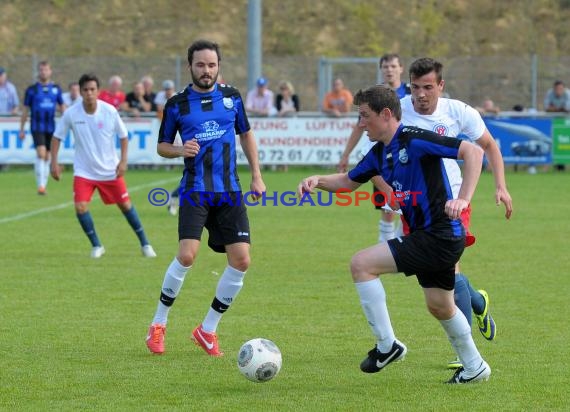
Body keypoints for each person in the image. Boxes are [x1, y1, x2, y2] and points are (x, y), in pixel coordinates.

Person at [298, 84, 491, 384]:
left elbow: (473, 151)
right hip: (432, 235)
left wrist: (463, 198)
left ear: (386, 114)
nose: (361, 124)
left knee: (362, 264)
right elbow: (349, 182)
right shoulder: (378, 154)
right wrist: (317, 180)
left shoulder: (413, 140)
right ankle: (475, 366)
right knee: (440, 305)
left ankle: (387, 346)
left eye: (364, 116)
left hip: (439, 233)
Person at [145, 39, 266, 356]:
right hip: (195, 191)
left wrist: (257, 174)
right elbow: (162, 146)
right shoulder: (176, 104)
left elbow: (246, 134)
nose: (206, 70)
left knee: (241, 260)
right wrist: (178, 149)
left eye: (212, 65)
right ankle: (158, 325)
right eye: (200, 64)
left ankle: (207, 329)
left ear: (218, 66)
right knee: (187, 255)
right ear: (190, 66)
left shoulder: (232, 98)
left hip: (229, 191)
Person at [400, 57, 513, 369]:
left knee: (448, 270)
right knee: (438, 277)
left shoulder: (458, 112)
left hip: (453, 201)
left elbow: (488, 146)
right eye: (415, 87)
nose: (420, 94)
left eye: (427, 87)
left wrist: (500, 185)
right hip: (413, 206)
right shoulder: (397, 110)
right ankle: (477, 301)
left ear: (441, 86)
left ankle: (467, 353)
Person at [50, 73, 157, 259]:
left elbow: (124, 137)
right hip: (84, 171)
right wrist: (53, 162)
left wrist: (123, 161)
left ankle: (145, 243)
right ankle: (97, 246)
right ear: (80, 92)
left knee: (125, 205)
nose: (89, 93)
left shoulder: (109, 111)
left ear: (98, 91)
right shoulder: (72, 113)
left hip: (110, 170)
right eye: (85, 90)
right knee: (80, 207)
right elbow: (57, 137)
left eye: (92, 89)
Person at [338, 53, 411, 243]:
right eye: (386, 67)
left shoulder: (412, 92)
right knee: (388, 208)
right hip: (382, 158)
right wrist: (346, 154)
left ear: (401, 69)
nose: (389, 70)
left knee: (408, 208)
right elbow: (360, 126)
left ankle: (398, 247)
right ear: (381, 70)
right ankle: (385, 248)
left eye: (393, 66)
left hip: (406, 157)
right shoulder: (375, 96)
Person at [19, 60, 65, 195]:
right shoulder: (32, 90)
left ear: (50, 71)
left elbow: (62, 107)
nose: (43, 72)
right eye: (41, 70)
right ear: (38, 72)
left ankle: (43, 185)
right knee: (41, 154)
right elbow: (26, 110)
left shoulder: (56, 89)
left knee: (47, 157)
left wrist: (68, 122)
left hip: (51, 127)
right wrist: (21, 129)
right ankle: (41, 186)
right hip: (37, 126)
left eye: (46, 70)